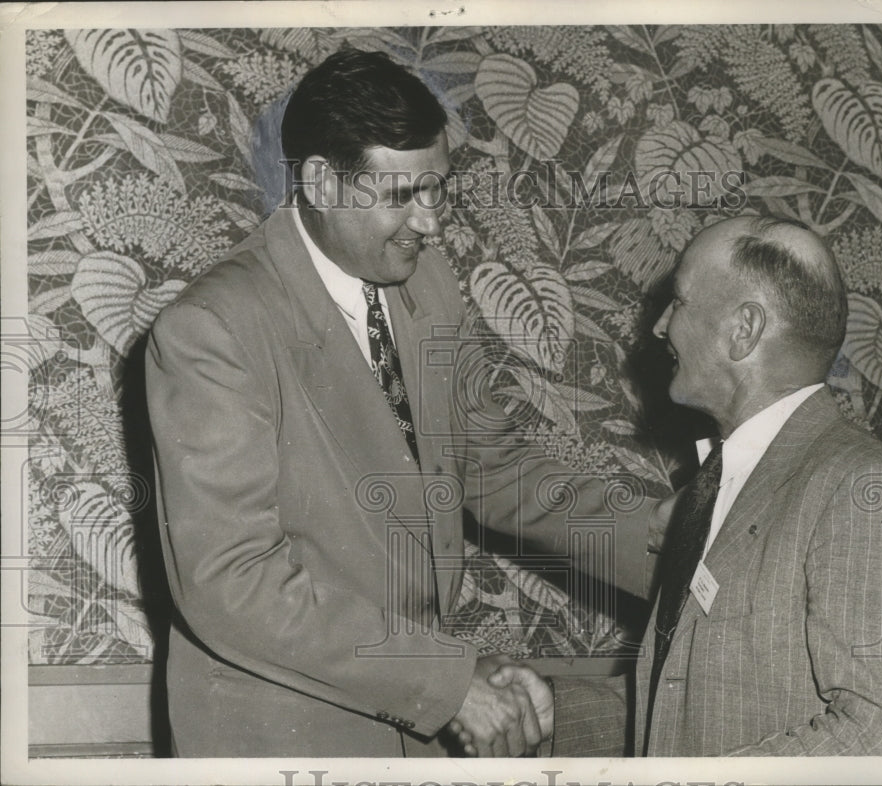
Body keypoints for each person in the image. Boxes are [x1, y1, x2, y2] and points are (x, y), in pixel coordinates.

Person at [145, 49, 663, 758]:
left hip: (409, 736)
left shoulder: (429, 288)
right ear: (323, 183)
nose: (433, 224)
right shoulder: (215, 329)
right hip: (280, 741)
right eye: (402, 197)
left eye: (438, 190)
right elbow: (230, 582)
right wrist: (449, 683)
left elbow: (491, 466)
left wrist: (677, 547)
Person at [485, 215, 882, 756]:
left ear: (743, 330)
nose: (660, 327)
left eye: (678, 302)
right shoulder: (726, 483)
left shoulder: (862, 486)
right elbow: (710, 703)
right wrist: (559, 712)